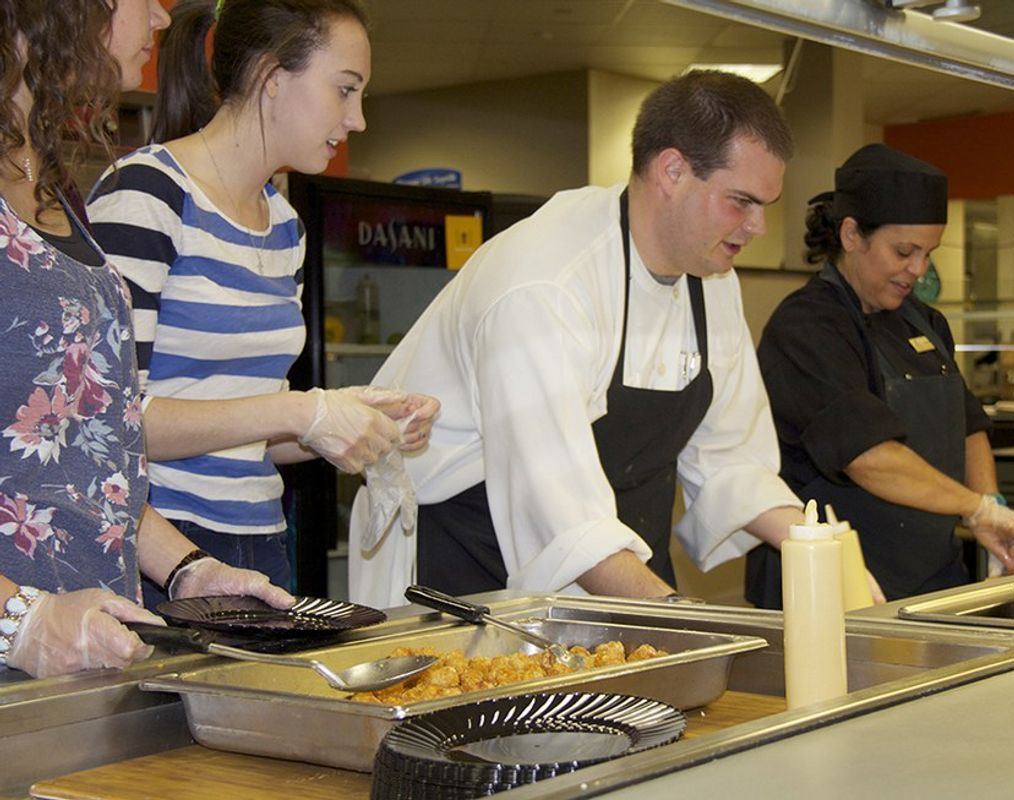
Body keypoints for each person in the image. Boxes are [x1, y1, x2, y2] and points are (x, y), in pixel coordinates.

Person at [350, 70, 812, 607]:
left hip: (618, 562)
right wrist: (680, 619)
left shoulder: (712, 279)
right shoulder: (544, 283)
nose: (757, 226)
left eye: (765, 206)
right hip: (472, 567)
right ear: (672, 170)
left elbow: (729, 459)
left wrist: (819, 547)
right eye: (741, 201)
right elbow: (559, 518)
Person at [86, 0, 438, 609]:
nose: (356, 119)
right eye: (344, 91)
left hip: (261, 542)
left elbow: (253, 433)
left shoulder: (286, 227)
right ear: (273, 79)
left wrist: (354, 422)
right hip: (158, 550)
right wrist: (302, 411)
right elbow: (107, 423)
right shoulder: (144, 197)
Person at [0, 0, 294, 679]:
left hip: (82, 658)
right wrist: (19, 620)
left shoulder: (47, 178)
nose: (162, 20)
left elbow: (87, 459)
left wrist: (187, 568)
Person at [747, 143, 1014, 606]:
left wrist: (993, 509)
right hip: (837, 586)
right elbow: (868, 456)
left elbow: (970, 429)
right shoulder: (806, 327)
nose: (918, 270)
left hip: (934, 580)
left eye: (928, 253)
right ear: (851, 234)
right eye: (904, 251)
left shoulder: (924, 321)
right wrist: (972, 507)